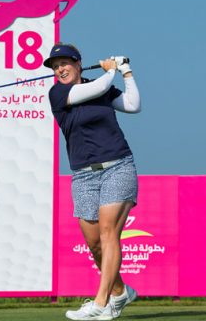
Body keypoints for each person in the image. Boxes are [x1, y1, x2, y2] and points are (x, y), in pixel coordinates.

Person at [45, 42, 141, 320]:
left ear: (77, 64)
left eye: (64, 63)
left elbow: (133, 105)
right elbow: (95, 88)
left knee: (108, 232)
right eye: (55, 66)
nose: (60, 69)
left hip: (118, 166)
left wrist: (125, 72)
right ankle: (121, 292)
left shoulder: (101, 86)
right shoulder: (58, 93)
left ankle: (102, 302)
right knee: (94, 244)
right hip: (83, 176)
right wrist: (110, 70)